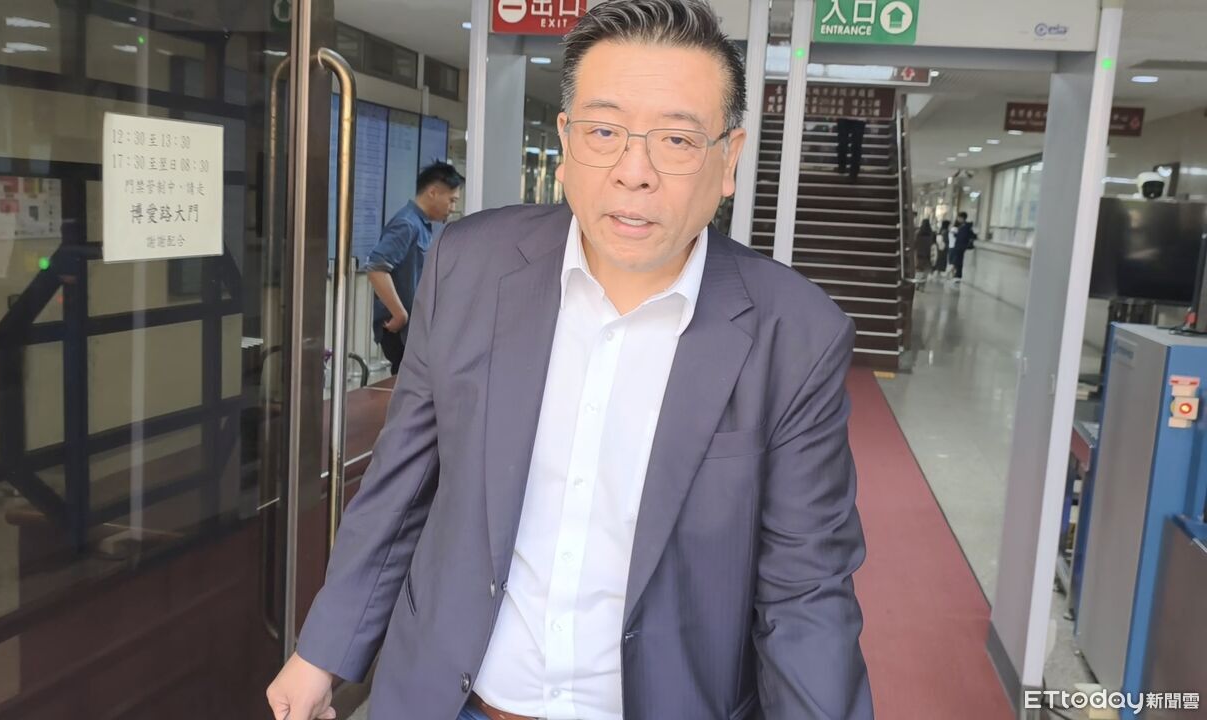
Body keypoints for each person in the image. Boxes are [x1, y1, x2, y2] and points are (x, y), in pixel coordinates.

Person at [266, 1, 872, 719]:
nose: (634, 172)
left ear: (728, 160)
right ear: (565, 142)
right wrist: (321, 653)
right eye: (604, 132)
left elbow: (806, 594)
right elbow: (401, 487)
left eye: (677, 140)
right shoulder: (470, 266)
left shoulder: (795, 333)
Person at [366, 162, 464, 375]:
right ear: (433, 192)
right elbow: (376, 268)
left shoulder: (422, 226)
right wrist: (400, 314)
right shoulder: (407, 224)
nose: (452, 208)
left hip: (416, 329)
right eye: (452, 200)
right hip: (402, 333)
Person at [949, 211, 977, 283]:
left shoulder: (966, 227)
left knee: (958, 261)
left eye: (959, 217)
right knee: (957, 261)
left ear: (962, 218)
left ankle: (958, 276)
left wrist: (957, 235)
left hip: (961, 246)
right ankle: (956, 275)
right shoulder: (962, 226)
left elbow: (965, 236)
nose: (958, 219)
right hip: (958, 246)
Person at [915, 218, 935, 284]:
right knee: (925, 271)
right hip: (928, 255)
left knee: (919, 270)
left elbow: (915, 244)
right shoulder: (932, 234)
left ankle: (918, 283)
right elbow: (933, 244)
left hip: (919, 255)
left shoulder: (918, 234)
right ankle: (923, 284)